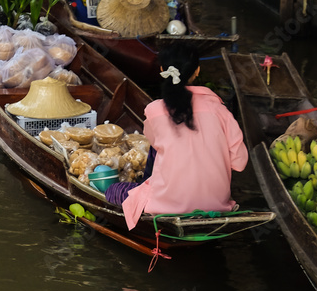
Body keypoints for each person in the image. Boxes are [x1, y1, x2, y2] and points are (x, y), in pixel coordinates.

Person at [105, 44, 248, 229]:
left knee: (113, 190)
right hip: (216, 204)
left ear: (162, 70)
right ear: (197, 71)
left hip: (167, 204)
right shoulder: (220, 111)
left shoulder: (155, 111)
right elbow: (240, 163)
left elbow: (156, 149)